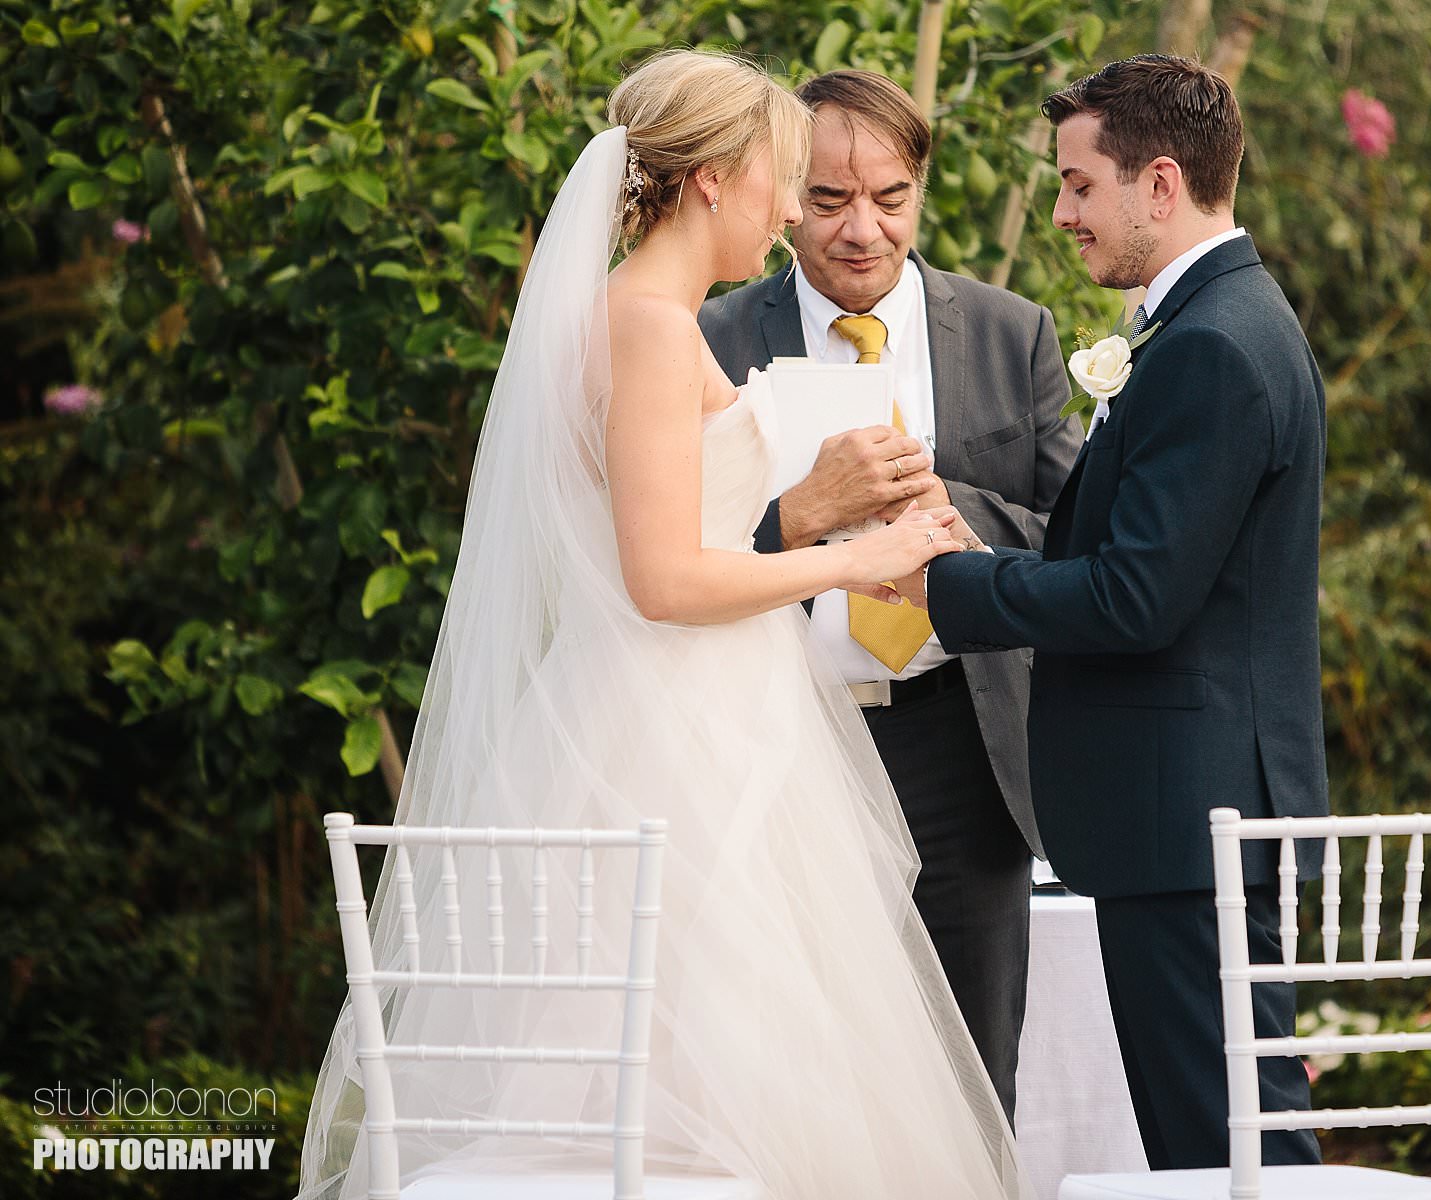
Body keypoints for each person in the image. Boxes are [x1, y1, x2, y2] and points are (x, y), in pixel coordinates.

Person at [295, 50, 1024, 1200]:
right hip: (672, 732)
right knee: (699, 1075)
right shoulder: (643, 325)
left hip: (716, 711)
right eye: (784, 178)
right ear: (713, 178)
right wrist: (859, 558)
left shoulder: (655, 321)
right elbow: (664, 579)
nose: (790, 211)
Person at [897, 55, 1329, 1170]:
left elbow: (1136, 598)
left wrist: (946, 583)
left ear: (1162, 183)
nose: (1062, 213)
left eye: (1080, 184)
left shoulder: (1212, 346)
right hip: (1191, 815)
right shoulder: (1216, 323)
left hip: (1187, 821)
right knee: (1226, 1144)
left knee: (1230, 1153)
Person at [698, 68, 1081, 1122]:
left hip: (965, 749)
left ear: (921, 188)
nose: (861, 229)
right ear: (784, 195)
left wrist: (953, 507)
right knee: (794, 1081)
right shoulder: (713, 338)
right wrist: (797, 515)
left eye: (890, 197)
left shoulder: (1011, 332)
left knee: (974, 1084)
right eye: (828, 199)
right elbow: (663, 562)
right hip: (783, 748)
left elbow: (1077, 543)